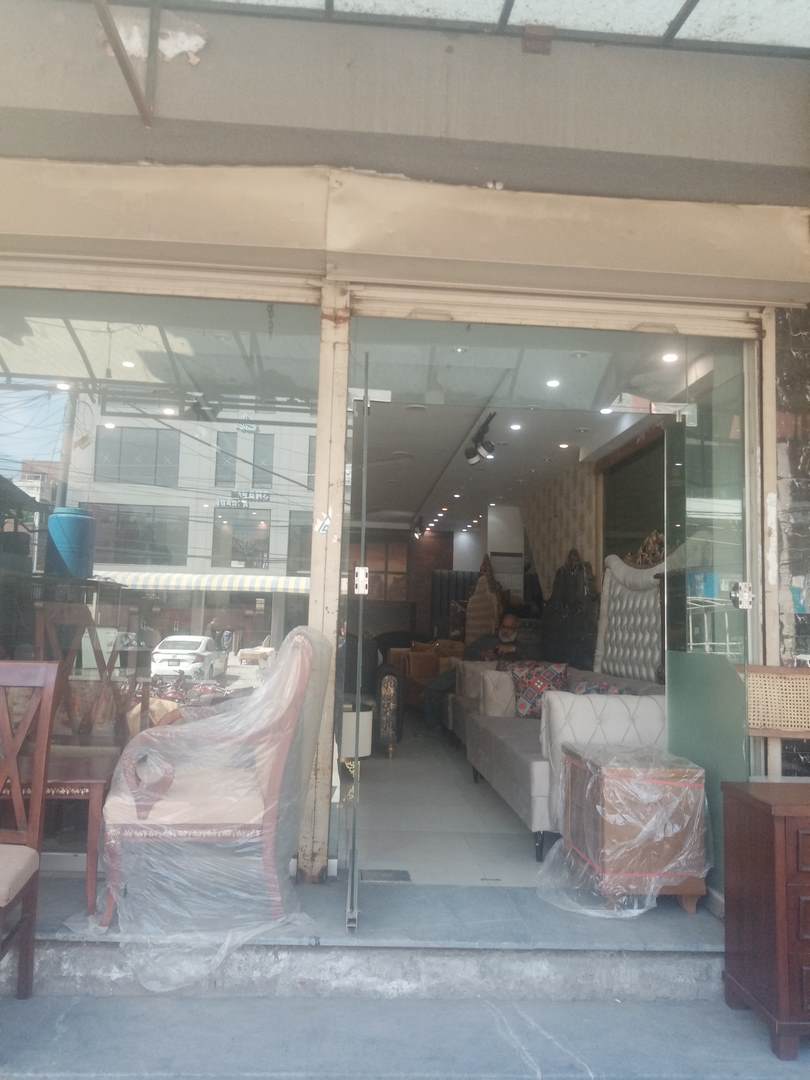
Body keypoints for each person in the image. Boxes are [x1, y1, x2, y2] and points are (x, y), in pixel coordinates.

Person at [423, 612, 539, 728]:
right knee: (432, 688)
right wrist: (482, 654)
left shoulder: (519, 646)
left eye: (510, 628)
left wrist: (513, 649)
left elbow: (534, 656)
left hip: (495, 682)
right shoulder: (488, 639)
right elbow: (467, 652)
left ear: (516, 629)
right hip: (471, 673)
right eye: (503, 627)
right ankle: (433, 727)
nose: (505, 631)